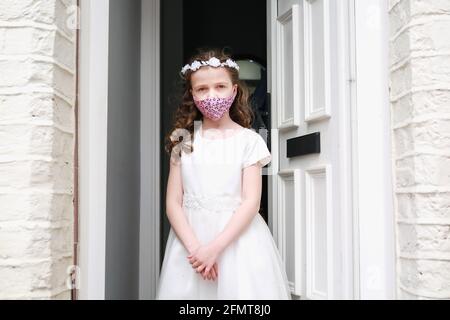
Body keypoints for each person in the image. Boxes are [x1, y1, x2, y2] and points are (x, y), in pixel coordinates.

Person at [156, 48, 291, 300]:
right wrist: (198, 251)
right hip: (190, 244)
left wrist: (214, 249)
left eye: (220, 86)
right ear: (192, 95)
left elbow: (251, 202)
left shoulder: (250, 141)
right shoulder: (183, 140)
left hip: (237, 242)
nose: (212, 95)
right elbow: (173, 203)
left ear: (234, 90)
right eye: (202, 89)